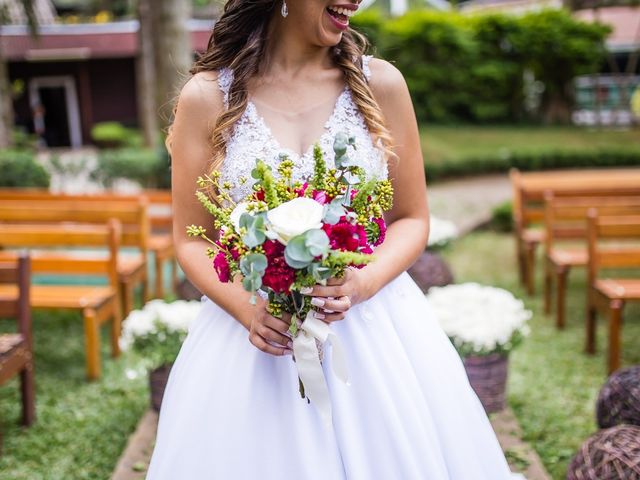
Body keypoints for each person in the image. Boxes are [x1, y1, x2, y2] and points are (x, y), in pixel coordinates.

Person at [147, 1, 519, 478]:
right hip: (255, 340)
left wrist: (362, 281)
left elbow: (411, 218)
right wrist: (248, 310)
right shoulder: (206, 97)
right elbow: (192, 240)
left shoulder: (380, 84)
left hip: (374, 333)